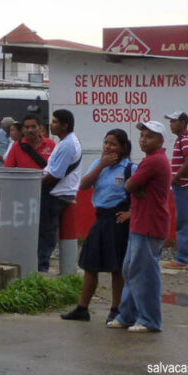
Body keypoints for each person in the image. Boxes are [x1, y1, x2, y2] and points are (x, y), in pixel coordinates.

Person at [61, 129, 135, 324]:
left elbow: (143, 196)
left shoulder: (129, 168)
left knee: (116, 268)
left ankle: (116, 309)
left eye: (113, 144)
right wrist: (101, 165)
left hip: (117, 221)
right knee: (90, 265)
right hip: (100, 219)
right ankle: (82, 308)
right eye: (106, 143)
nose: (108, 147)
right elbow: (84, 185)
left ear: (123, 147)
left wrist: (131, 213)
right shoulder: (98, 164)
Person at [109, 120, 172, 333]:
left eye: (149, 136)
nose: (143, 140)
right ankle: (127, 315)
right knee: (131, 270)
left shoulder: (153, 161)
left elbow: (128, 185)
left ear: (160, 140)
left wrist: (136, 187)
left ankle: (149, 320)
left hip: (149, 224)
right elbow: (134, 187)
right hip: (141, 222)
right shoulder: (152, 160)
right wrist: (137, 188)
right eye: (142, 136)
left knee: (144, 274)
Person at [38, 109, 82, 273]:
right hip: (60, 191)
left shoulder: (67, 145)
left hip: (56, 193)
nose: (51, 124)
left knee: (46, 232)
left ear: (65, 126)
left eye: (55, 122)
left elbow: (55, 174)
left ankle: (41, 268)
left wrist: (35, 184)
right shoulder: (65, 142)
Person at [165, 111, 188, 270]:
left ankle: (182, 258)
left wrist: (176, 178)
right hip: (185, 185)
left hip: (183, 185)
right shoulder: (184, 139)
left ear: (183, 122)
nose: (171, 124)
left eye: (174, 121)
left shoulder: (185, 139)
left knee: (184, 221)